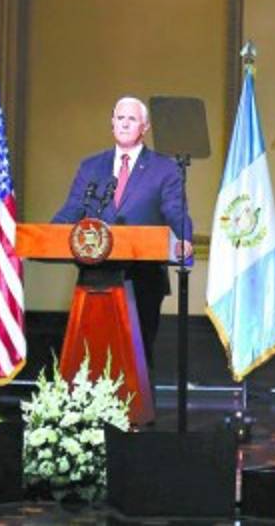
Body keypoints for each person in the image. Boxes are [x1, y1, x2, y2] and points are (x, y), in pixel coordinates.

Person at [53, 96, 193, 371]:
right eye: (120, 118)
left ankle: (139, 401)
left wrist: (184, 239)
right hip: (96, 273)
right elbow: (73, 208)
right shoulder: (91, 166)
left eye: (132, 119)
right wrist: (51, 233)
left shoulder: (164, 168)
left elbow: (175, 210)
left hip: (144, 278)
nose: (125, 124)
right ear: (112, 123)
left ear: (145, 127)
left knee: (137, 359)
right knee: (91, 354)